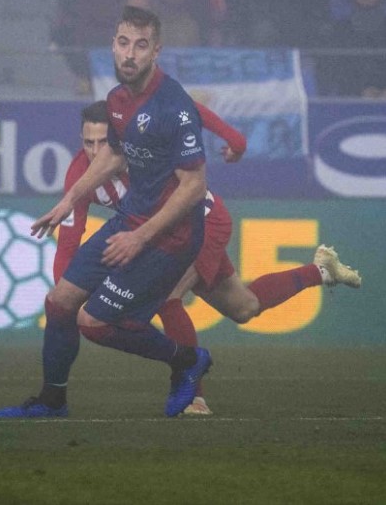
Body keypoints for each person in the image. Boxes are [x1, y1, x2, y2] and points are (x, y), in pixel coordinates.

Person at [44, 100, 361, 417]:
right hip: (162, 236)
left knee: (168, 296)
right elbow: (68, 244)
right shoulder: (80, 176)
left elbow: (183, 107)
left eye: (104, 141)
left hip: (204, 223)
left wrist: (234, 139)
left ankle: (194, 397)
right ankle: (321, 270)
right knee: (244, 307)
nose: (96, 150)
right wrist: (66, 301)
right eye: (89, 142)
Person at [0, 6, 211, 419]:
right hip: (130, 219)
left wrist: (140, 238)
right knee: (59, 303)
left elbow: (194, 186)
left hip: (171, 236)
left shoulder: (174, 107)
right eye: (124, 43)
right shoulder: (117, 99)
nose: (130, 53)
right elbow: (113, 153)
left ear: (156, 51)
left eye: (141, 45)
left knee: (94, 324)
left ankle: (187, 360)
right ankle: (52, 401)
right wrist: (68, 200)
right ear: (113, 44)